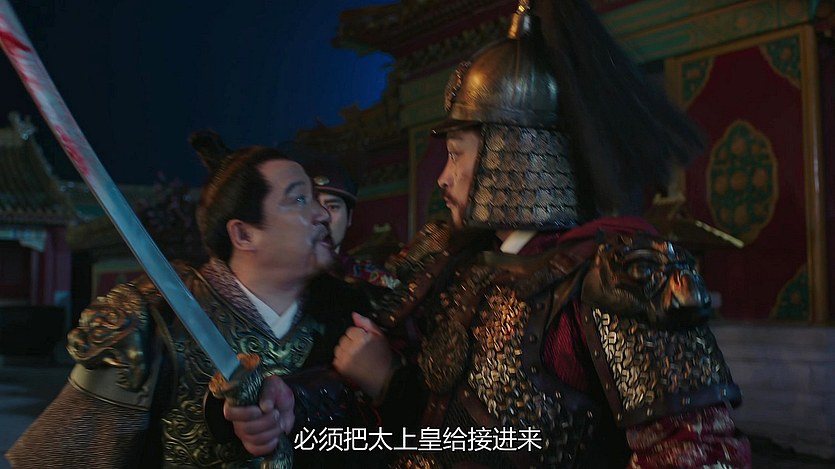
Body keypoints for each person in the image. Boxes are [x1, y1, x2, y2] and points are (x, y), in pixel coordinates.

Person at [332, 0, 752, 468]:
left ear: (513, 154)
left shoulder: (617, 276)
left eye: (456, 154)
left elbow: (695, 451)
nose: (443, 179)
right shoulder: (459, 266)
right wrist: (389, 382)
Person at [7, 145, 372, 468]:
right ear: (244, 234)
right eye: (299, 199)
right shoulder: (149, 320)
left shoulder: (349, 320)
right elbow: (61, 460)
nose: (322, 214)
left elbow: (376, 442)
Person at [305, 155, 400, 289]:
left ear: (349, 217)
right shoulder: (283, 278)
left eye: (332, 207)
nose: (323, 216)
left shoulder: (373, 279)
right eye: (314, 205)